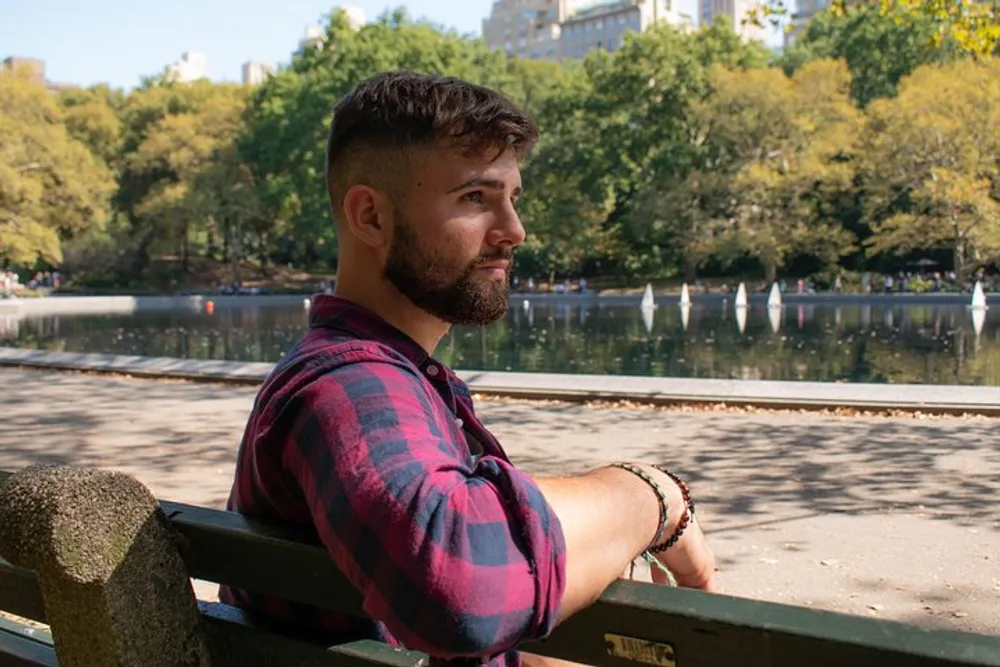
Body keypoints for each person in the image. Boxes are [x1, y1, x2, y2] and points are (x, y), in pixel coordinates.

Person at [220, 71, 716, 667]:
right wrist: (651, 494)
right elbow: (462, 588)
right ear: (371, 218)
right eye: (475, 198)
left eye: (512, 198)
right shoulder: (348, 385)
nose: (514, 230)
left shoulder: (392, 377)